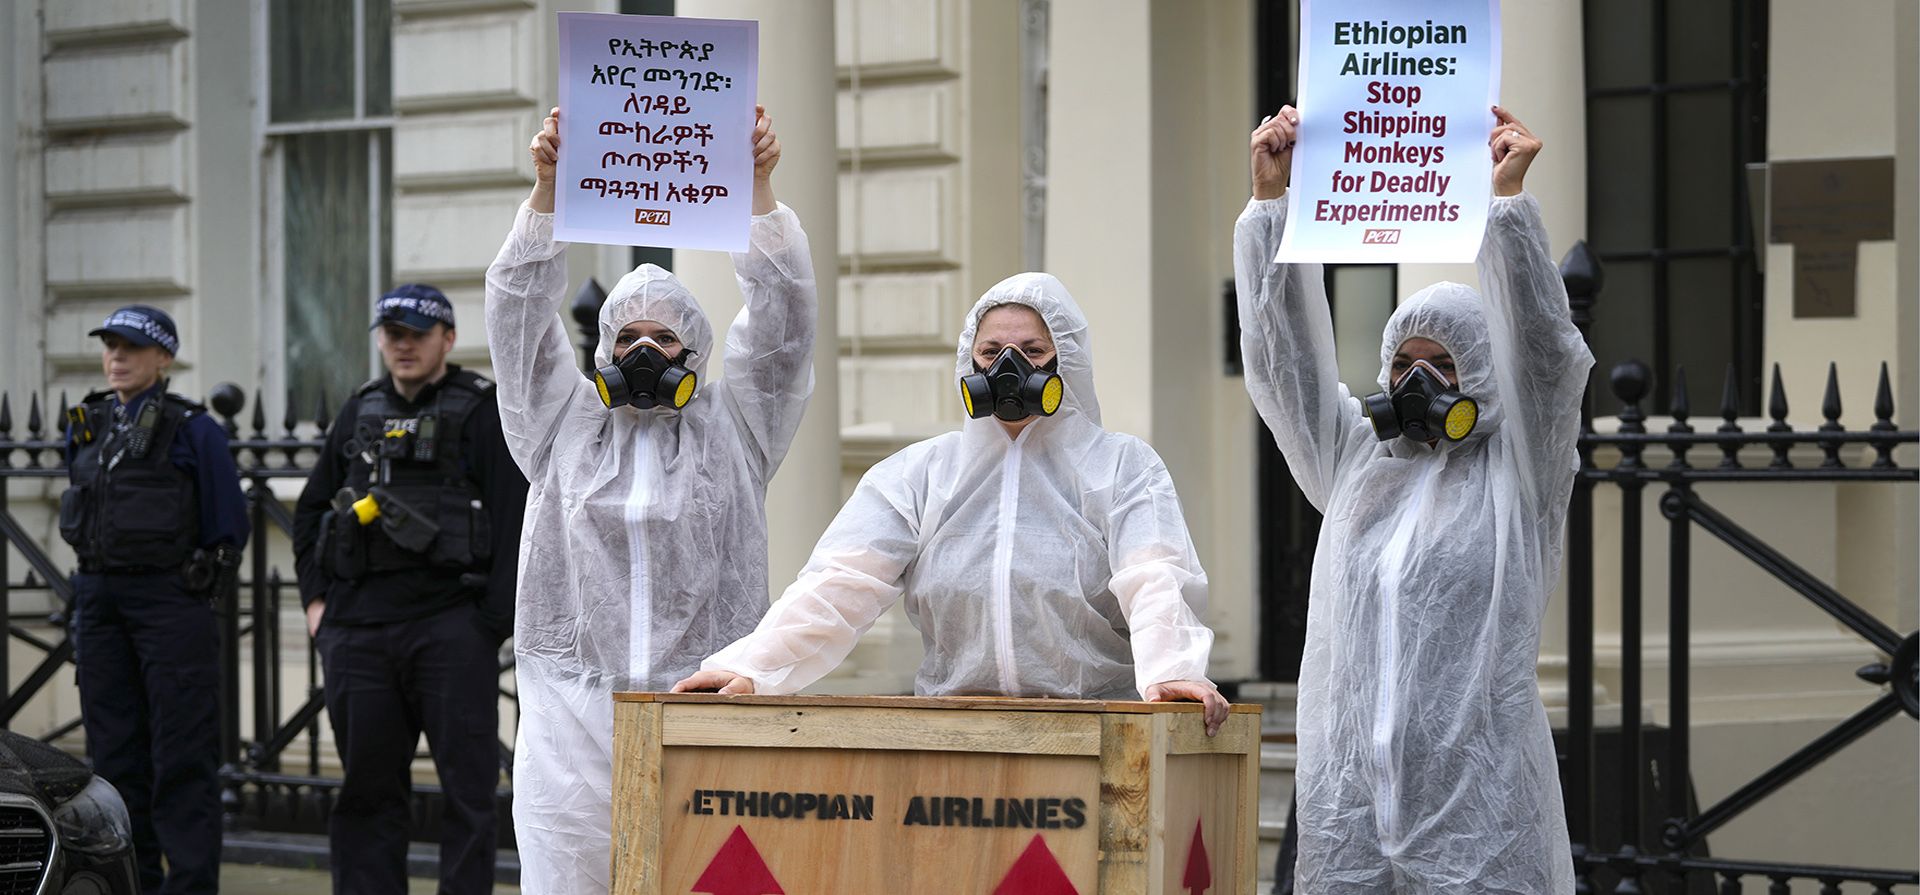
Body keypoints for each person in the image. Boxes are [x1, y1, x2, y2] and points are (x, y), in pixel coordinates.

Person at [1235, 104, 1591, 893]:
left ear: (1482, 374)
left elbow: (1547, 358)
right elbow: (1283, 364)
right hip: (1350, 819)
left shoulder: (1519, 473)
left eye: (1444, 364)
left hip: (1483, 824)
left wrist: (1505, 205)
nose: (1418, 384)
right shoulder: (1357, 465)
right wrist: (1270, 207)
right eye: (1404, 364)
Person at [486, 104, 816, 892]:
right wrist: (549, 192)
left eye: (664, 340)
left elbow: (784, 324)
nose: (643, 352)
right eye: (626, 337)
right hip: (572, 716)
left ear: (694, 351)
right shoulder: (558, 424)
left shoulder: (737, 427)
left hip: (703, 708)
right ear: (601, 350)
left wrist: (758, 190)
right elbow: (517, 315)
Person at [673, 273, 1230, 735]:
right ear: (970, 359)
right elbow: (838, 586)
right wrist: (750, 668)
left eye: (1033, 351)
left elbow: (1154, 576)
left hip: (1093, 728)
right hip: (956, 731)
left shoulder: (1121, 466)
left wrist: (1172, 671)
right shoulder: (918, 475)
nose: (1009, 368)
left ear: (1067, 361)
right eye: (991, 352)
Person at [291, 284, 528, 895]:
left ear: (447, 339)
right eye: (392, 334)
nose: (403, 345)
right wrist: (318, 606)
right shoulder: (359, 410)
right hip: (359, 632)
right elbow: (311, 510)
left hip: (450, 628)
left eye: (417, 334)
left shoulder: (479, 410)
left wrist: (486, 625)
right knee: (368, 792)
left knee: (468, 793)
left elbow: (514, 519)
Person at [61, 304, 248, 895]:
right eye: (110, 346)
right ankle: (129, 881)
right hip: (99, 603)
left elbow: (228, 524)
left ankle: (189, 885)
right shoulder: (86, 422)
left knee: (182, 757)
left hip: (170, 602)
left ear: (162, 358)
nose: (116, 358)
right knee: (114, 758)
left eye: (131, 348)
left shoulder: (194, 429)